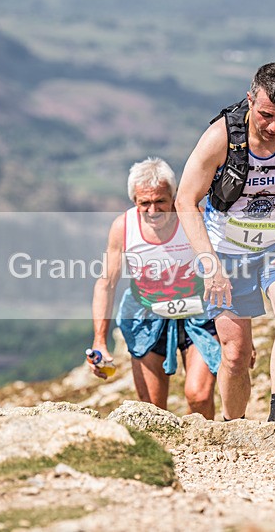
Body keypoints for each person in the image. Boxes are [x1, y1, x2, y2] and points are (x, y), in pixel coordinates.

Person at [175, 61, 275, 422]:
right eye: (266, 115)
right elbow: (185, 200)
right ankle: (234, 426)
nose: (274, 126)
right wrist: (209, 262)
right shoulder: (220, 138)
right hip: (226, 254)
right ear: (250, 100)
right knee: (236, 354)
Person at [90, 157, 221, 419]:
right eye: (144, 203)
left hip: (199, 312)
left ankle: (202, 442)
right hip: (147, 315)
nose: (153, 210)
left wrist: (242, 336)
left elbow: (227, 268)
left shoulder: (193, 218)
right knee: (152, 408)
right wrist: (100, 341)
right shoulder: (123, 227)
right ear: (134, 201)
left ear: (174, 196)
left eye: (160, 201)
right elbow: (106, 283)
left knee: (199, 396)